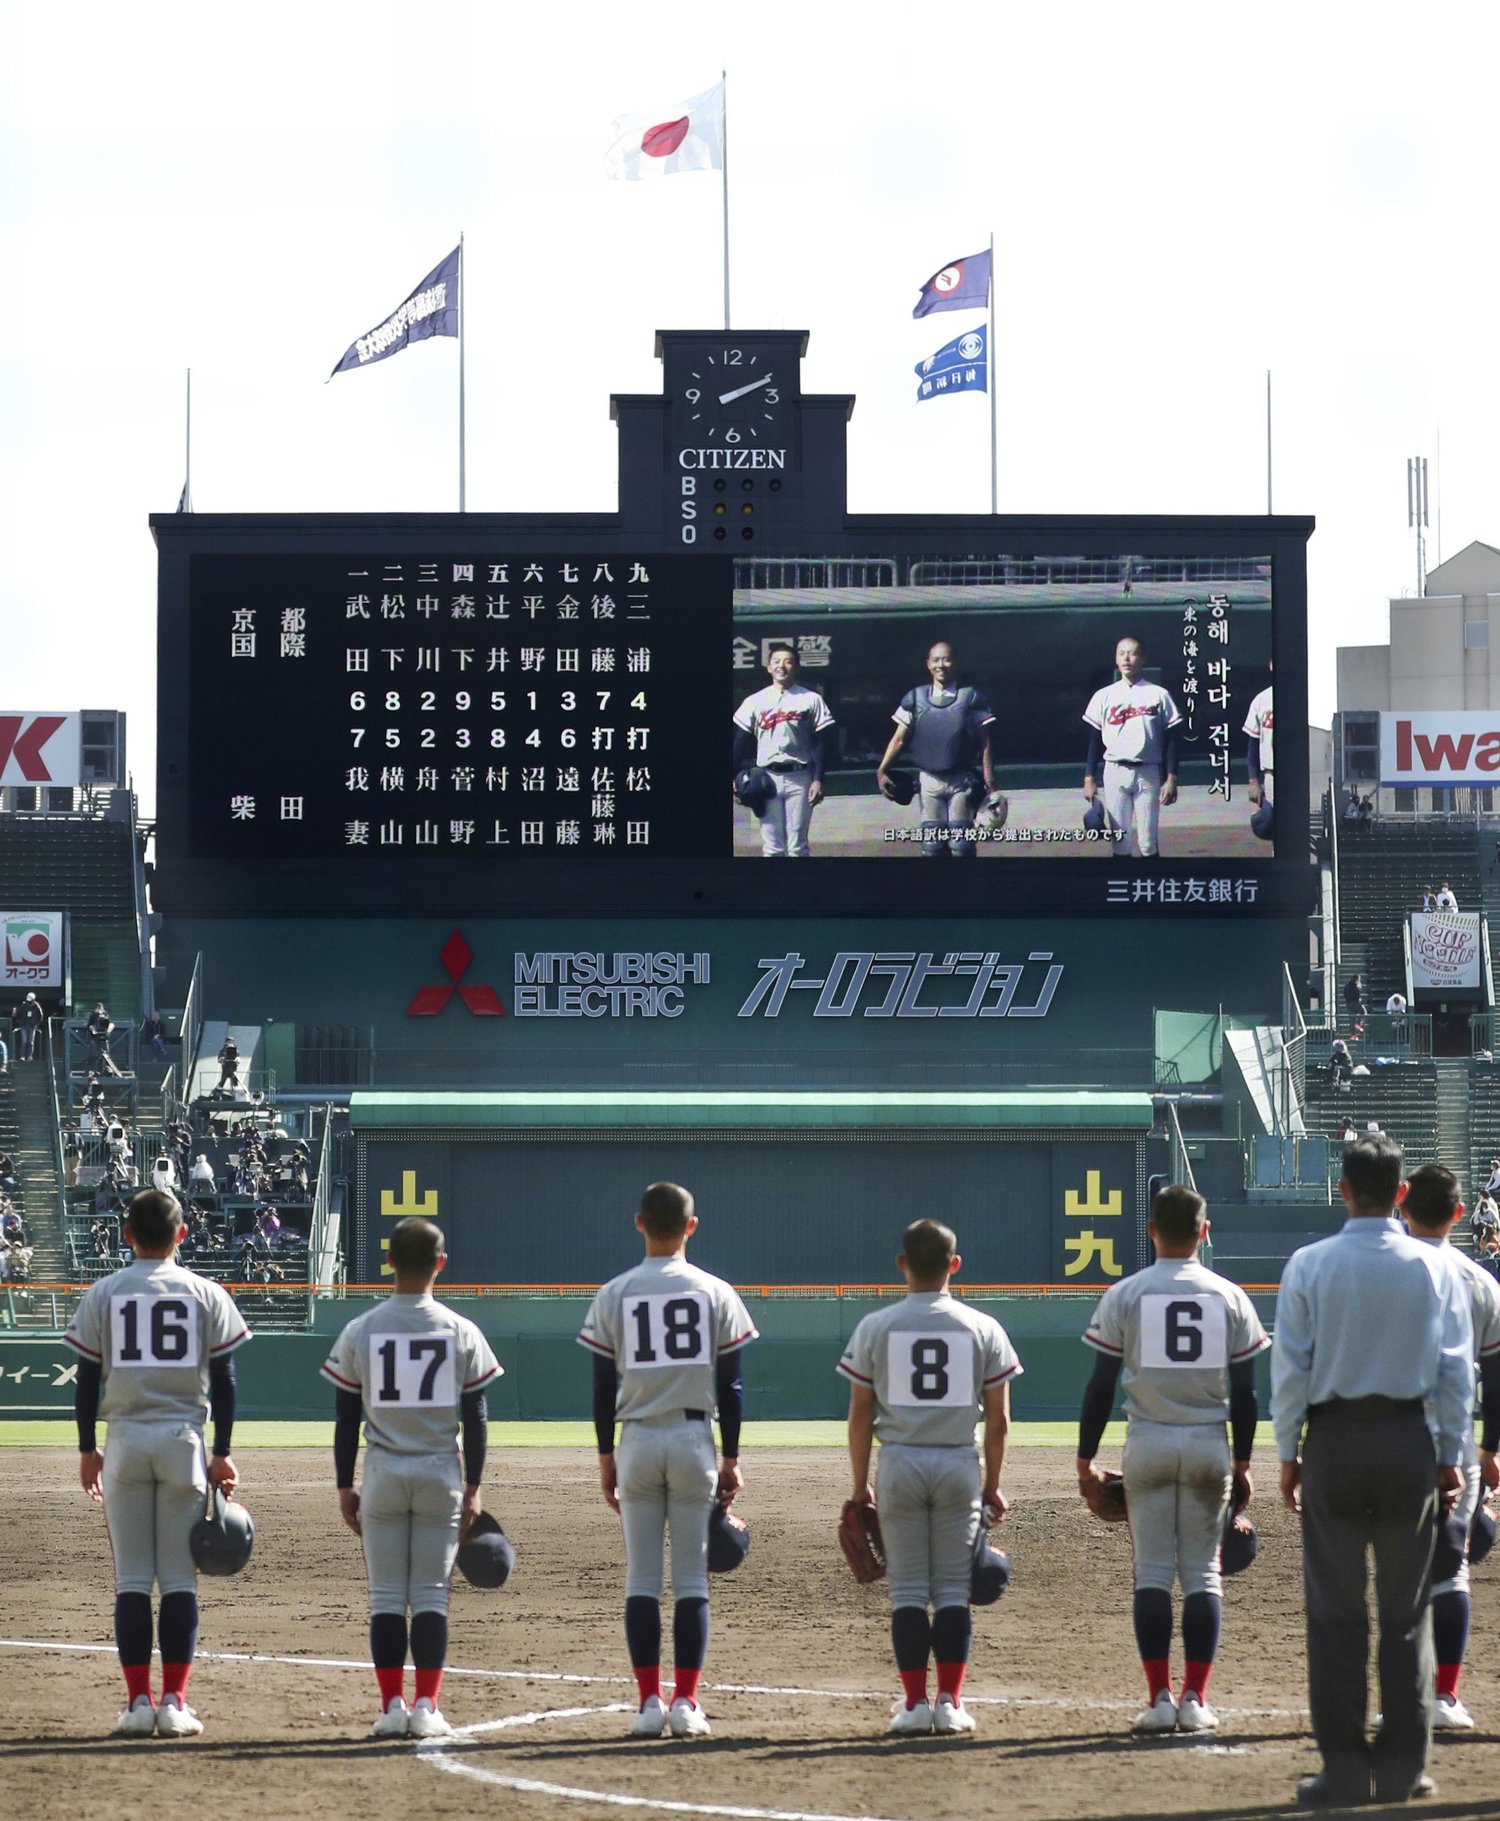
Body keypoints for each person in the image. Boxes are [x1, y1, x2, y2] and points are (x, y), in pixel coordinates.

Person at [1271, 1136, 1475, 1807]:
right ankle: (1405, 1767)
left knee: (1335, 1614)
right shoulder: (1434, 1266)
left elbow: (1291, 1368)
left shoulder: (1309, 1263)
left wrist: (1288, 1454)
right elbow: (1454, 1372)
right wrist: (1449, 1455)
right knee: (1407, 1612)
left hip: (1333, 1439)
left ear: (1342, 1188)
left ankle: (1343, 1769)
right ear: (1401, 1194)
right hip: (1408, 1440)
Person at [1077, 1186, 1269, 1734]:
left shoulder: (1126, 1294)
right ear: (1204, 1232)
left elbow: (1100, 1384)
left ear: (1151, 1230)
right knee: (1204, 1575)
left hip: (1149, 1443)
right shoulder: (1230, 1296)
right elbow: (1248, 1392)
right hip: (1208, 1442)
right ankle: (1196, 1700)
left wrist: (1086, 1458)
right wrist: (1243, 1462)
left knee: (1153, 1576)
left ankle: (1159, 1698)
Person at [62, 1188, 251, 1738]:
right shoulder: (206, 1292)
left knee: (131, 1581)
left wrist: (84, 1448)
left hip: (124, 1440)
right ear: (182, 1234)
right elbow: (226, 1380)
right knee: (178, 1580)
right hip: (183, 1442)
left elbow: (88, 1381)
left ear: (127, 1236)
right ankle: (173, 1702)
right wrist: (222, 1452)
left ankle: (138, 1703)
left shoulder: (105, 1292)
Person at [579, 1181, 757, 1739]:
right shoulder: (715, 1291)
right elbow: (731, 1386)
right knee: (691, 1582)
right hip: (691, 1439)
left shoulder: (615, 1293)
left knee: (642, 1579)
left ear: (639, 1224)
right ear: (691, 1226)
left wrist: (606, 1456)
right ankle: (685, 1704)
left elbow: (602, 1384)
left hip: (635, 1439)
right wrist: (730, 1456)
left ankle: (648, 1703)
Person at [320, 1215, 502, 1739]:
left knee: (384, 1598)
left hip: (382, 1469)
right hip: (439, 1470)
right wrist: (474, 1486)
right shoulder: (460, 1329)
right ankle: (426, 1707)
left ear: (390, 1262)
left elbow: (346, 1418)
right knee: (428, 1596)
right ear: (441, 1264)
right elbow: (477, 1416)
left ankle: (390, 1708)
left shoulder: (362, 1328)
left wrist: (343, 1485)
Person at [839, 1218, 1021, 1736]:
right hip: (958, 1462)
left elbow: (858, 1414)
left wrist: (859, 1485)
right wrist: (992, 1484)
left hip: (898, 1461)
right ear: (954, 1265)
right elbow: (1000, 1420)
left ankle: (915, 1705)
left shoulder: (876, 1326)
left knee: (909, 1592)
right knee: (953, 1591)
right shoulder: (983, 1327)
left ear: (902, 1264)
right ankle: (950, 1704)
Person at [1401, 1165, 1500, 1730]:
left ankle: (1402, 1694)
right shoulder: (1478, 1279)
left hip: (1386, 1433)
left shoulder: (1379, 1270)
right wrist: (1490, 1447)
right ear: (1460, 1215)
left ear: (1403, 1207)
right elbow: (1497, 1372)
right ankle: (1444, 1696)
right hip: (1454, 1436)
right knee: (1452, 1566)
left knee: (1398, 1572)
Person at [875, 640, 997, 859]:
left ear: (955, 663)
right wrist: (882, 769)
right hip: (928, 781)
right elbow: (899, 739)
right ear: (928, 664)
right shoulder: (915, 698)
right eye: (936, 660)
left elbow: (985, 744)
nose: (941, 665)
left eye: (946, 659)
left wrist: (990, 783)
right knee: (932, 846)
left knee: (961, 845)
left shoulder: (971, 698)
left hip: (962, 780)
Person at [1081, 636, 1182, 858]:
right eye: (1121, 653)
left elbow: (1172, 738)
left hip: (1148, 771)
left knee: (1147, 843)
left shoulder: (1158, 694)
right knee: (1120, 843)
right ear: (1116, 659)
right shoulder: (1104, 695)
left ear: (1143, 658)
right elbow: (1094, 740)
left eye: (1133, 653)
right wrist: (1089, 777)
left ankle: (1152, 890)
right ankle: (1125, 888)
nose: (1127, 658)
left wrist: (1172, 777)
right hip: (1114, 771)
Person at [731, 645, 835, 858]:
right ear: (768, 667)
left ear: (796, 667)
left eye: (788, 661)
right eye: (776, 661)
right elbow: (740, 741)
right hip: (766, 778)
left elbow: (821, 742)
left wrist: (818, 779)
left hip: (800, 777)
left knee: (798, 846)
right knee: (772, 846)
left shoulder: (810, 698)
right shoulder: (755, 700)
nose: (782, 666)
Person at [1244, 665, 1273, 808]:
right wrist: (1254, 780)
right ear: (1271, 666)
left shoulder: (1301, 697)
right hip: (1270, 774)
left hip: (1297, 775)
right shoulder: (1262, 699)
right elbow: (1253, 744)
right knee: (1266, 824)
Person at [86, 1002, 124, 1077]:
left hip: (104, 1037)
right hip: (95, 1038)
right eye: (98, 1008)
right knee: (94, 1056)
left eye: (101, 1008)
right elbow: (89, 1026)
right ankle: (92, 1071)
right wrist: (93, 1029)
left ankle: (106, 1070)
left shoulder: (106, 1015)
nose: (100, 1010)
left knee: (106, 1056)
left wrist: (108, 1030)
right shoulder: (93, 1016)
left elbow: (110, 1024)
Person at [13, 992, 42, 1062]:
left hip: (32, 1026)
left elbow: (40, 1016)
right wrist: (19, 1022)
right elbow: (18, 1014)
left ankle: (29, 1056)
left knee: (31, 1042)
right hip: (24, 1025)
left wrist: (37, 1024)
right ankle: (22, 1056)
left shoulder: (36, 1006)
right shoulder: (23, 1005)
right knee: (24, 1041)